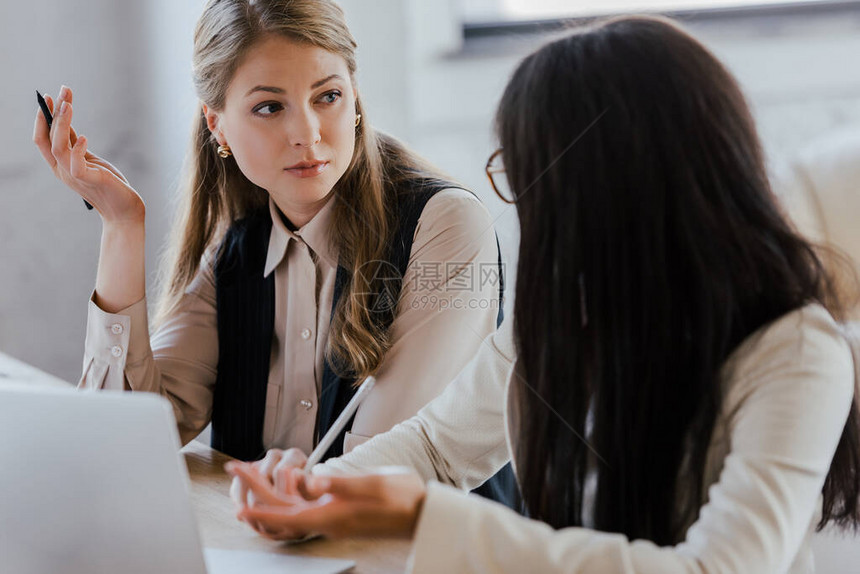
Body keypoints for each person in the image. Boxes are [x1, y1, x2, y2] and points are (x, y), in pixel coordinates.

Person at [227, 15, 860, 573]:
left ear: (616, 188)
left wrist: (426, 519)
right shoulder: (567, 317)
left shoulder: (796, 351)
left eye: (532, 176)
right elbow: (437, 448)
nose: (528, 205)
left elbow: (716, 569)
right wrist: (315, 493)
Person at [31, 0, 517, 505]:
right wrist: (121, 224)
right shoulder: (237, 247)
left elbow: (392, 471)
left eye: (327, 96)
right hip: (271, 549)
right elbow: (122, 440)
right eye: (270, 106)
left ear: (354, 99)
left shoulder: (443, 225)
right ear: (217, 125)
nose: (306, 134)